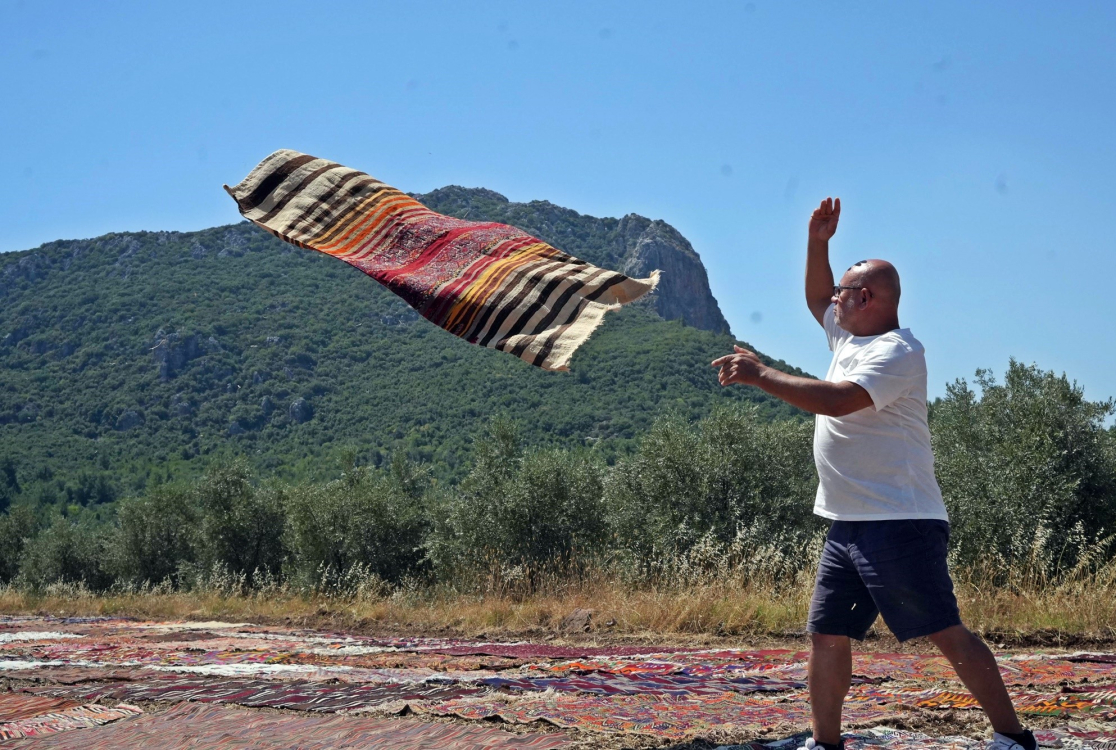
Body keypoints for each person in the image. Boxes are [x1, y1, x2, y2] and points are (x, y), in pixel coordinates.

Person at [711, 198, 1035, 750]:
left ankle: (1012, 738)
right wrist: (818, 242)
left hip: (899, 519)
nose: (832, 300)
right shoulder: (848, 336)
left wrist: (762, 373)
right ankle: (825, 743)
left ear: (866, 298)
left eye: (843, 291)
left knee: (944, 631)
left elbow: (839, 401)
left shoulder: (898, 352)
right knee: (827, 634)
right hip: (848, 522)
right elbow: (816, 297)